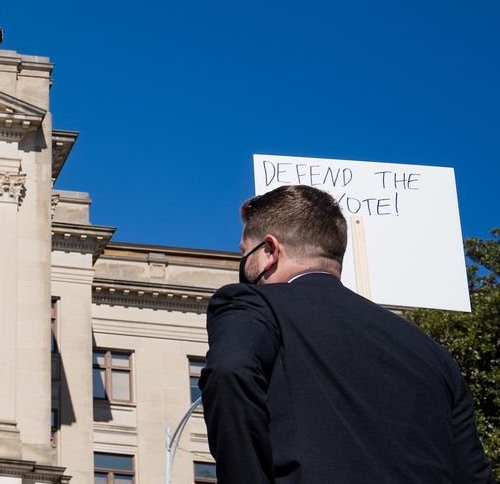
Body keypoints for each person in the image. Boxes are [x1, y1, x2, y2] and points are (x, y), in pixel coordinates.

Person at [200, 184, 496, 483]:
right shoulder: (433, 354)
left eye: (243, 252)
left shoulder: (253, 304)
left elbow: (229, 372)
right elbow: (473, 473)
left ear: (270, 250)